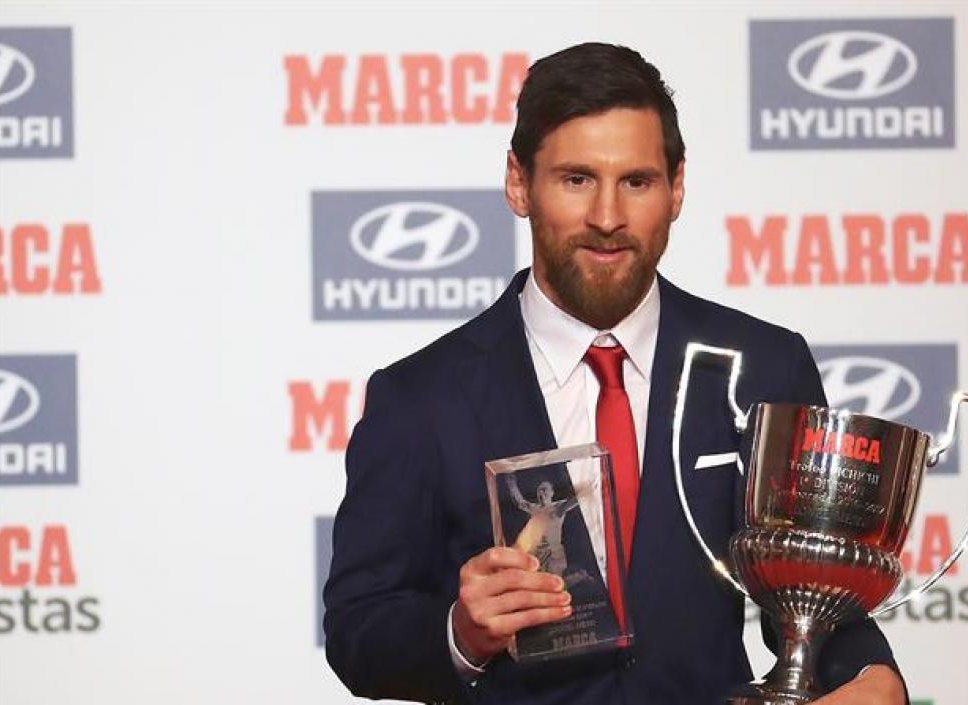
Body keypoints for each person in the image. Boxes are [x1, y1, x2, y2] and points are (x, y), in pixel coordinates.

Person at [323, 42, 907, 705]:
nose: (607, 217)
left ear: (677, 186)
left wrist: (870, 673)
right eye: (576, 179)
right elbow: (356, 629)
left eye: (636, 181)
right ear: (520, 183)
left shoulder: (763, 365)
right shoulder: (419, 397)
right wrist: (461, 631)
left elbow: (811, 590)